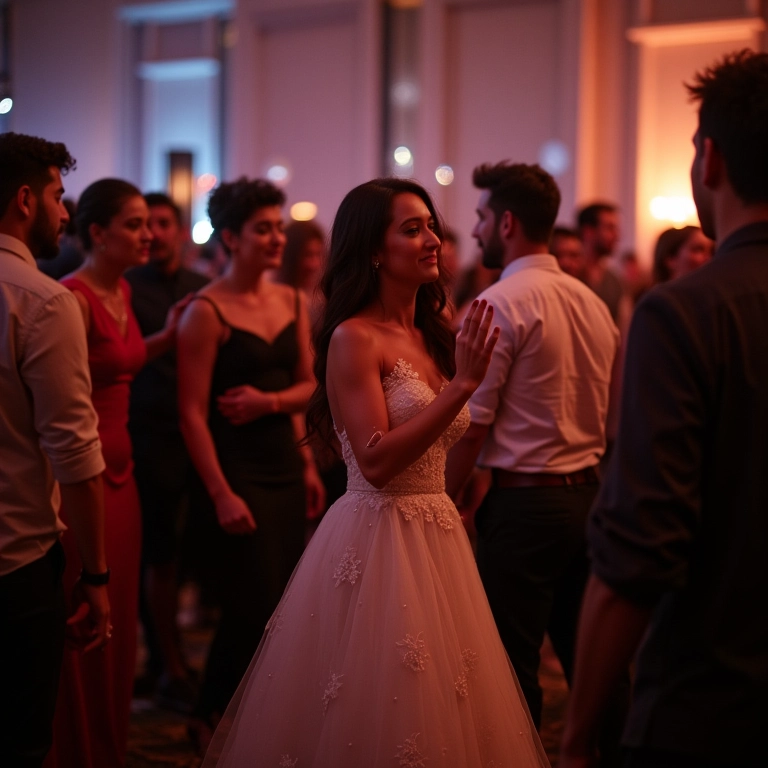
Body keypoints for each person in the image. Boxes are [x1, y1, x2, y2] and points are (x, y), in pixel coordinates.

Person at [200, 177, 550, 767]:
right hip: (378, 532)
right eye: (411, 229)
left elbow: (444, 442)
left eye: (431, 225)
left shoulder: (431, 335)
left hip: (438, 532)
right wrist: (462, 386)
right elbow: (377, 460)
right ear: (371, 249)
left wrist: (462, 490)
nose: (432, 239)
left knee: (449, 700)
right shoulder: (352, 337)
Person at [560, 49, 768, 768]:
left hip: (714, 700)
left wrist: (580, 732)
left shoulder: (685, 312)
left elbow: (641, 549)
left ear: (709, 160)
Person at [445, 162, 619, 738]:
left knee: (510, 669)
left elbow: (471, 425)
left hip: (526, 508)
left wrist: (440, 499)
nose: (475, 232)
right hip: (591, 498)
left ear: (508, 222)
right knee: (593, 662)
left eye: (481, 218)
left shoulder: (498, 304)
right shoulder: (593, 302)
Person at [178, 178, 325, 750]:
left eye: (279, 227)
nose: (275, 238)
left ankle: (245, 713)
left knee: (282, 602)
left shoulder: (291, 300)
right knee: (251, 602)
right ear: (232, 237)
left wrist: (306, 464)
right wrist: (219, 493)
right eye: (263, 229)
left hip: (284, 469)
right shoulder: (206, 311)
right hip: (234, 472)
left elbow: (309, 387)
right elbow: (191, 415)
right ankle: (209, 707)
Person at [45, 179, 181, 768]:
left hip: (125, 477)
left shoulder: (121, 289)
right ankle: (76, 749)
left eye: (148, 223)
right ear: (96, 233)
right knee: (83, 615)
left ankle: (108, 744)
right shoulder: (70, 300)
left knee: (120, 621)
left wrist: (165, 340)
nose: (147, 234)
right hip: (84, 476)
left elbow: (117, 360)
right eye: (133, 224)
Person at [0, 132, 110, 768]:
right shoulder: (42, 300)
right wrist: (94, 576)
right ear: (24, 200)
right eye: (58, 196)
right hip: (14, 565)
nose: (65, 213)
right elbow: (75, 456)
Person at [126, 192, 209, 711]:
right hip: (148, 434)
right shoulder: (127, 288)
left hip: (197, 436)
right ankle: (168, 665)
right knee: (159, 556)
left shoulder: (204, 289)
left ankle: (170, 659)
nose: (153, 233)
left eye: (162, 223)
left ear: (179, 231)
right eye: (145, 225)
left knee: (189, 556)